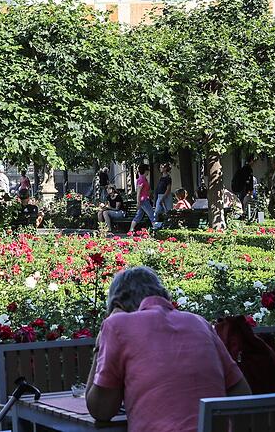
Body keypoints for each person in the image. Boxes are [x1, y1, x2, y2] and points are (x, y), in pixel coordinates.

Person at [85, 267, 250, 431]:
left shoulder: (118, 324)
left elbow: (101, 410)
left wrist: (100, 344)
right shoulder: (199, 323)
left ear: (118, 305)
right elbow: (241, 391)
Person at [129, 164, 157, 232]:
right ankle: (156, 230)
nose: (149, 171)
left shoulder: (144, 179)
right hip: (143, 201)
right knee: (152, 215)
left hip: (144, 200)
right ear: (145, 170)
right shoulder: (141, 179)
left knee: (139, 216)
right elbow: (138, 192)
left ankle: (131, 230)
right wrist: (138, 202)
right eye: (148, 170)